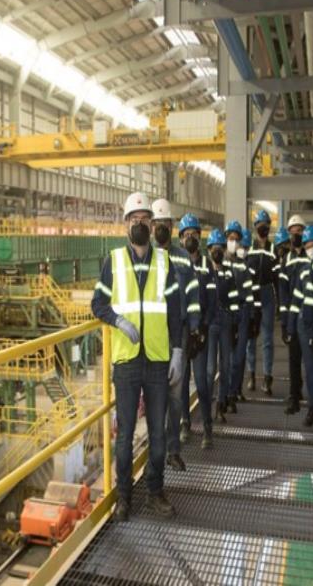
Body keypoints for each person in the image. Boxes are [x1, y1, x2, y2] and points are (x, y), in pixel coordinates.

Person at [91, 192, 184, 522]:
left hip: (158, 361)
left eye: (145, 219)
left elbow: (176, 310)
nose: (141, 224)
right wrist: (118, 320)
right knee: (126, 435)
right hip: (127, 362)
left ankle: (156, 491)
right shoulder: (112, 262)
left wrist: (177, 350)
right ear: (126, 224)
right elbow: (97, 304)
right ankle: (125, 498)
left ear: (151, 223)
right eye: (135, 219)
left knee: (158, 435)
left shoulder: (164, 262)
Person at [151, 198, 200, 473]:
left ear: (172, 226)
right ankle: (156, 454)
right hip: (153, 336)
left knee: (176, 396)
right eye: (156, 224)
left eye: (165, 224)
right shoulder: (147, 256)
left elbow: (192, 294)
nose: (160, 228)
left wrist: (194, 328)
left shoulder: (182, 258)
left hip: (177, 335)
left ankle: (173, 451)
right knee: (156, 397)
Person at [177, 213, 216, 449]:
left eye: (194, 234)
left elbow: (212, 302)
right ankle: (185, 424)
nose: (190, 238)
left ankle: (208, 429)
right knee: (181, 384)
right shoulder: (177, 265)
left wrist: (202, 329)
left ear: (199, 238)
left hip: (199, 332)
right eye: (186, 234)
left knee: (201, 382)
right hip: (181, 333)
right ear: (181, 239)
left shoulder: (206, 265)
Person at [289, 225, 313, 428]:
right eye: (308, 245)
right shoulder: (303, 270)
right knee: (311, 367)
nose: (311, 248)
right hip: (305, 324)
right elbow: (296, 298)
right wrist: (292, 327)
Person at [206, 228, 241, 422]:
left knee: (226, 365)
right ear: (209, 249)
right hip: (211, 324)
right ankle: (208, 406)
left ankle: (221, 404)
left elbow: (235, 299)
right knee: (210, 368)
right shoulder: (206, 273)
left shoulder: (229, 274)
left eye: (220, 248)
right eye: (214, 248)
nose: (217, 251)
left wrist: (235, 321)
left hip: (226, 322)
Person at [246, 209, 277, 395]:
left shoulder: (273, 250)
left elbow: (277, 277)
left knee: (267, 338)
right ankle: (251, 375)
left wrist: (281, 305)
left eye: (266, 225)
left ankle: (267, 377)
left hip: (267, 295)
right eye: (260, 225)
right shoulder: (249, 248)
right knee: (251, 337)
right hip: (252, 295)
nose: (262, 228)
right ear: (255, 227)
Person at [279, 215, 308, 414]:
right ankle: (294, 395)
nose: (296, 234)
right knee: (294, 357)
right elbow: (283, 291)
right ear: (289, 234)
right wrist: (284, 322)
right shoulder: (286, 260)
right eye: (293, 231)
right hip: (293, 317)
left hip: (310, 314)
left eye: (300, 231)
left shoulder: (311, 256)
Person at [230, 227, 255, 403]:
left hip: (243, 312)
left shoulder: (242, 265)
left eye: (235, 238)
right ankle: (229, 393)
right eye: (230, 238)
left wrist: (252, 316)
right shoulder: (219, 263)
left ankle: (236, 389)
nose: (233, 241)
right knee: (229, 357)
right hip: (226, 314)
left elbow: (249, 293)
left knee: (239, 355)